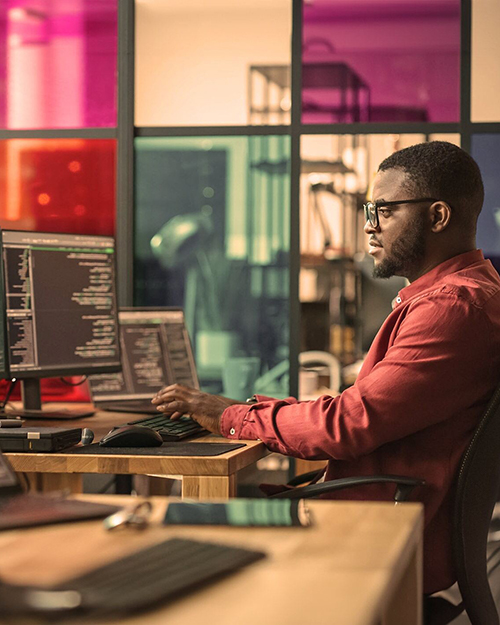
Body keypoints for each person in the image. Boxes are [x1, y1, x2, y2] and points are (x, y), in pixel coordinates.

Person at [151, 141, 500, 595]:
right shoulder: (475, 290)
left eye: (385, 211)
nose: (369, 228)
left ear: (437, 217)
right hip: (396, 517)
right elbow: (358, 411)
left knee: (172, 533)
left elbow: (345, 426)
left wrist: (227, 415)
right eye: (368, 211)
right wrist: (245, 410)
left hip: (379, 533)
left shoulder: (450, 307)